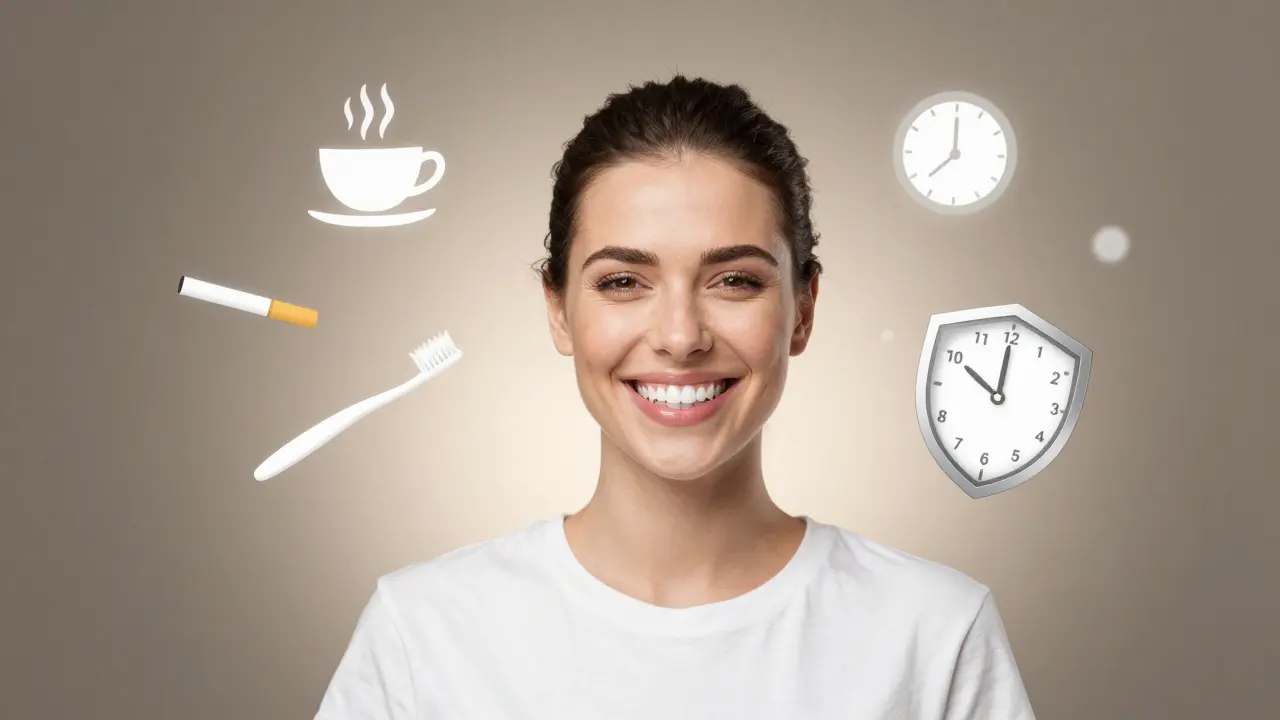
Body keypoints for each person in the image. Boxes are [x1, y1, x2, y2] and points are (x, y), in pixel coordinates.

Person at [314, 75, 1035, 719]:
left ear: (803, 310)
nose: (681, 336)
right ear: (559, 310)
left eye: (736, 280)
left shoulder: (936, 636)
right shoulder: (422, 633)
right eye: (624, 281)